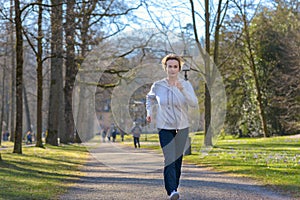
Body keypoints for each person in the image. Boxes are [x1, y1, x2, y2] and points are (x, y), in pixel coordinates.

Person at [146, 54, 198, 200]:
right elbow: (149, 98)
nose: (172, 69)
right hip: (164, 127)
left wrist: (182, 89)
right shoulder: (158, 86)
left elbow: (193, 103)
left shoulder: (186, 85)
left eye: (175, 66)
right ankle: (172, 191)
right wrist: (149, 112)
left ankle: (174, 187)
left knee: (177, 160)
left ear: (179, 68)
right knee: (169, 158)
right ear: (165, 68)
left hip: (182, 127)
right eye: (170, 66)